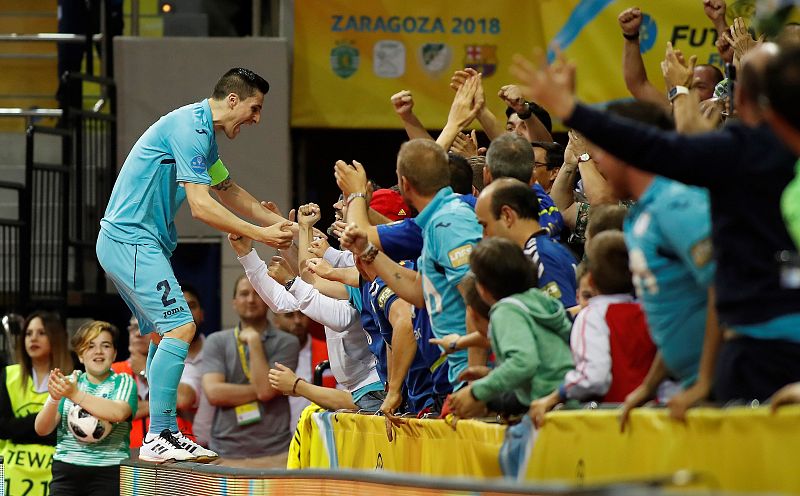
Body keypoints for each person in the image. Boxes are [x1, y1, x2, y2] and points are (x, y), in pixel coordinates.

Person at [511, 42, 800, 402]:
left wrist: (572, 109)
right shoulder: (746, 155)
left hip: (764, 352)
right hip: (750, 350)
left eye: (601, 151)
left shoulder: (693, 194)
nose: (597, 161)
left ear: (741, 99)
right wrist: (651, 385)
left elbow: (656, 145)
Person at [95, 67, 294, 462]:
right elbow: (202, 207)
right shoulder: (191, 128)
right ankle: (161, 433)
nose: (257, 119)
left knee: (164, 336)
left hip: (136, 244)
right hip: (131, 241)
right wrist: (261, 234)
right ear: (233, 100)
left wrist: (282, 225)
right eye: (255, 109)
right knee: (182, 327)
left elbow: (229, 192)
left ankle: (161, 433)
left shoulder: (202, 136)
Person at [340, 138, 483, 388]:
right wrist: (368, 251)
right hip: (451, 374)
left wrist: (355, 196)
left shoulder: (450, 221)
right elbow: (418, 291)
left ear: (405, 184)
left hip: (469, 375)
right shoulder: (435, 221)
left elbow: (476, 299)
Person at [529, 231, 656, 426]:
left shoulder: (591, 315)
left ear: (591, 280)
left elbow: (594, 377)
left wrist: (555, 396)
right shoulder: (648, 311)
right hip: (654, 419)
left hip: (612, 423)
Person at [447, 237, 574, 418]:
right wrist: (493, 374)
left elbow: (524, 363)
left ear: (482, 288)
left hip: (550, 407)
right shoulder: (537, 299)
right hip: (568, 396)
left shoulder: (505, 310)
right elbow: (544, 361)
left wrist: (476, 391)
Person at [201, 275, 300, 468]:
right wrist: (262, 390)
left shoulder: (288, 342)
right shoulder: (216, 341)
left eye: (257, 294)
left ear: (268, 300)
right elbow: (214, 393)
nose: (251, 299)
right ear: (234, 302)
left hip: (275, 452)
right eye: (244, 294)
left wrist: (254, 341)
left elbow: (266, 391)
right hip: (226, 451)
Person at [34, 321, 138, 496]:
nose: (98, 351)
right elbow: (42, 429)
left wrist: (75, 394)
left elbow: (118, 412)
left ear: (114, 354)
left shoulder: (123, 382)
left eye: (106, 345)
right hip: (66, 471)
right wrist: (54, 399)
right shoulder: (69, 382)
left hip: (109, 472)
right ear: (80, 356)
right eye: (90, 346)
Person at [474, 178, 578, 310]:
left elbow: (565, 316)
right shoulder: (549, 248)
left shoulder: (540, 258)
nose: (484, 236)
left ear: (507, 215)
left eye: (485, 225)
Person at [0, 312, 72, 496]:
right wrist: (42, 422)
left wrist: (20, 427)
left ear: (55, 338)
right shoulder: (8, 375)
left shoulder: (71, 380)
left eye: (41, 333)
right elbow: (3, 428)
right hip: (11, 471)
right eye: (28, 333)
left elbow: (67, 432)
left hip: (55, 472)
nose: (33, 338)